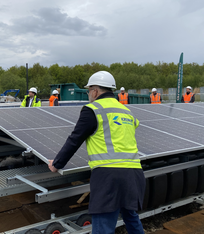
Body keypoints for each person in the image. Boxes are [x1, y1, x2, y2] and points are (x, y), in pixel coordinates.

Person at [48, 71, 145, 234]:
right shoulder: (126, 111)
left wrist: (56, 164)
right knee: (131, 218)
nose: (89, 94)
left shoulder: (93, 110)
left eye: (89, 90)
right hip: (134, 174)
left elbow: (75, 139)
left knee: (103, 227)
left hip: (109, 177)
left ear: (95, 91)